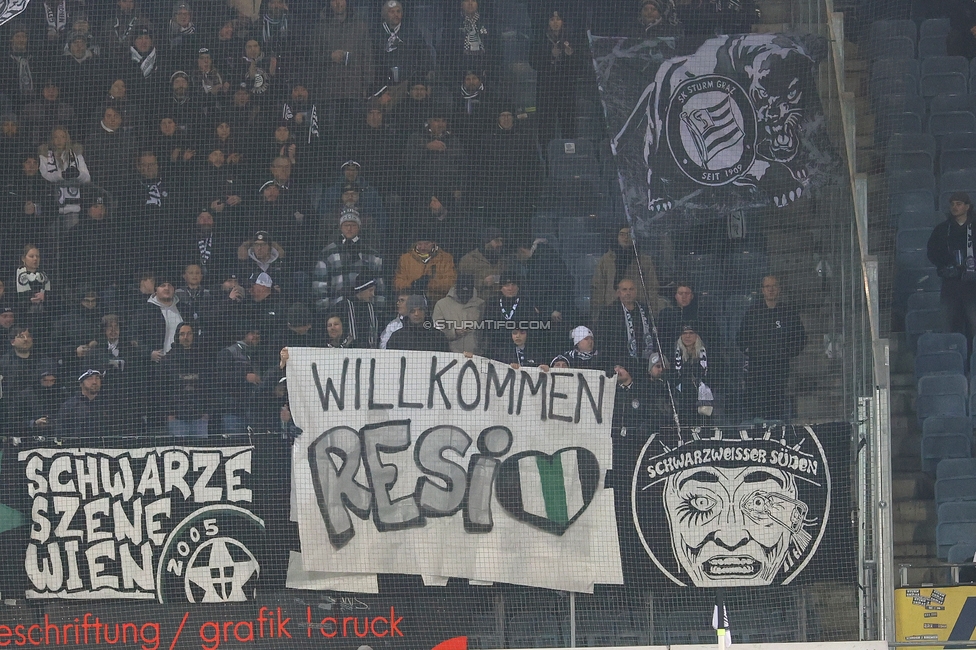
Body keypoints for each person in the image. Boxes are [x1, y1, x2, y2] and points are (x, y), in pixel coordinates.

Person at [736, 275, 806, 421]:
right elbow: (741, 338)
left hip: (780, 367)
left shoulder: (788, 312)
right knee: (757, 402)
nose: (771, 289)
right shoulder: (753, 312)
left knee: (777, 401)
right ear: (762, 290)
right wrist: (752, 352)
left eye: (774, 286)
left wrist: (787, 353)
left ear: (779, 289)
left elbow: (800, 337)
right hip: (757, 368)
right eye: (767, 286)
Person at [928, 192, 976, 353]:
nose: (955, 207)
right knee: (947, 326)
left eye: (959, 204)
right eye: (953, 204)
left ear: (967, 207)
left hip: (973, 287)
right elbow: (932, 252)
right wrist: (947, 264)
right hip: (951, 286)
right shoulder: (942, 230)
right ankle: (950, 359)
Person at [312, 209, 385, 311]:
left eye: (353, 225)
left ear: (358, 227)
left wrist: (379, 310)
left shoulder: (372, 255)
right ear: (341, 227)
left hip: (364, 310)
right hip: (336, 310)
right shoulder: (328, 253)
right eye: (346, 225)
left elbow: (379, 285)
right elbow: (320, 285)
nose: (349, 228)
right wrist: (324, 311)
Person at [530, 11, 582, 142]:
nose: (555, 22)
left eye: (558, 19)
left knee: (568, 120)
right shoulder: (540, 38)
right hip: (546, 86)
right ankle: (546, 150)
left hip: (566, 86)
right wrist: (550, 55)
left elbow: (581, 64)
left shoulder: (571, 38)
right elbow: (533, 61)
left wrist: (570, 55)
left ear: (562, 21)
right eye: (552, 19)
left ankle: (570, 149)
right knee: (546, 120)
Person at [591, 226, 662, 313]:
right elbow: (598, 287)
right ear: (616, 237)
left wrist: (652, 312)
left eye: (629, 234)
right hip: (612, 310)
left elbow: (652, 287)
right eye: (622, 234)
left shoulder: (644, 261)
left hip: (639, 309)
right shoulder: (606, 260)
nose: (625, 237)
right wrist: (597, 314)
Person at [161, 322, 212, 437]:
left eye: (189, 334)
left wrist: (206, 412)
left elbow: (209, 386)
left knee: (201, 448)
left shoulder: (204, 359)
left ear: (194, 335)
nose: (185, 337)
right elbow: (162, 389)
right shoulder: (168, 360)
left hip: (200, 416)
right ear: (177, 337)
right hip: (176, 418)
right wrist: (169, 413)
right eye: (182, 334)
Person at [595, 277, 656, 368]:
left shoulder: (645, 310)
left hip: (643, 362)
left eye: (631, 289)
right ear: (618, 293)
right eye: (624, 289)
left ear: (636, 291)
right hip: (619, 363)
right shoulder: (608, 312)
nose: (628, 293)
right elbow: (602, 341)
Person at [216, 323, 264, 433]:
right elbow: (221, 377)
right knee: (235, 440)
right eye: (252, 333)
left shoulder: (258, 354)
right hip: (233, 409)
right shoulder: (228, 352)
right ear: (244, 335)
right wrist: (244, 377)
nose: (256, 336)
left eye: (258, 333)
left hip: (254, 409)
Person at [656, 282, 719, 354]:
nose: (684, 297)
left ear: (692, 296)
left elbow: (714, 338)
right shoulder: (666, 315)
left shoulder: (703, 314)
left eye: (687, 293)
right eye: (680, 293)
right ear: (675, 296)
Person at [393, 235, 457, 304]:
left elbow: (451, 283)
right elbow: (397, 283)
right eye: (420, 244)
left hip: (438, 303)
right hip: (412, 303)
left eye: (426, 244)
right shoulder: (405, 259)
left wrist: (429, 284)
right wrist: (413, 284)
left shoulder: (446, 258)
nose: (423, 247)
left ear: (433, 243)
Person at [135, 276, 183, 365]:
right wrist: (148, 353)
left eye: (169, 285)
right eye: (162, 285)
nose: (167, 288)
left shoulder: (183, 308)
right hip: (156, 363)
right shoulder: (145, 310)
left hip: (181, 360)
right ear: (156, 289)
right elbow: (134, 336)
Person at [432, 274, 484, 354]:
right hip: (450, 354)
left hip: (476, 355)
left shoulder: (481, 304)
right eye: (462, 292)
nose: (465, 295)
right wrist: (454, 332)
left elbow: (486, 331)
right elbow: (436, 330)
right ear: (456, 288)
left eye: (468, 292)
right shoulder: (442, 305)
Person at [672, 323, 712, 426]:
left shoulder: (707, 353)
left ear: (697, 335)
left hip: (702, 398)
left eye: (691, 333)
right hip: (682, 399)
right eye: (684, 333)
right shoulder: (674, 354)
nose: (687, 336)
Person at [58, 368, 114, 436]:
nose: (94, 382)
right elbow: (61, 432)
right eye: (90, 378)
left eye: (97, 378)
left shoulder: (108, 404)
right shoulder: (69, 406)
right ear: (81, 383)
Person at [0, 328, 54, 397]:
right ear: (13, 342)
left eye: (28, 336)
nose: (26, 339)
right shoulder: (4, 362)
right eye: (21, 337)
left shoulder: (44, 360)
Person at [332, 274, 382, 348]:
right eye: (370, 290)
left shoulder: (373, 309)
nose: (373, 294)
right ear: (361, 289)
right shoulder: (342, 307)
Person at [457, 231, 507, 300]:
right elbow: (461, 284)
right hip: (474, 303)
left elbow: (506, 279)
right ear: (486, 242)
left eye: (501, 241)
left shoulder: (502, 261)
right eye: (497, 241)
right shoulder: (468, 260)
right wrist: (483, 282)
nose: (500, 244)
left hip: (496, 303)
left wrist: (495, 279)